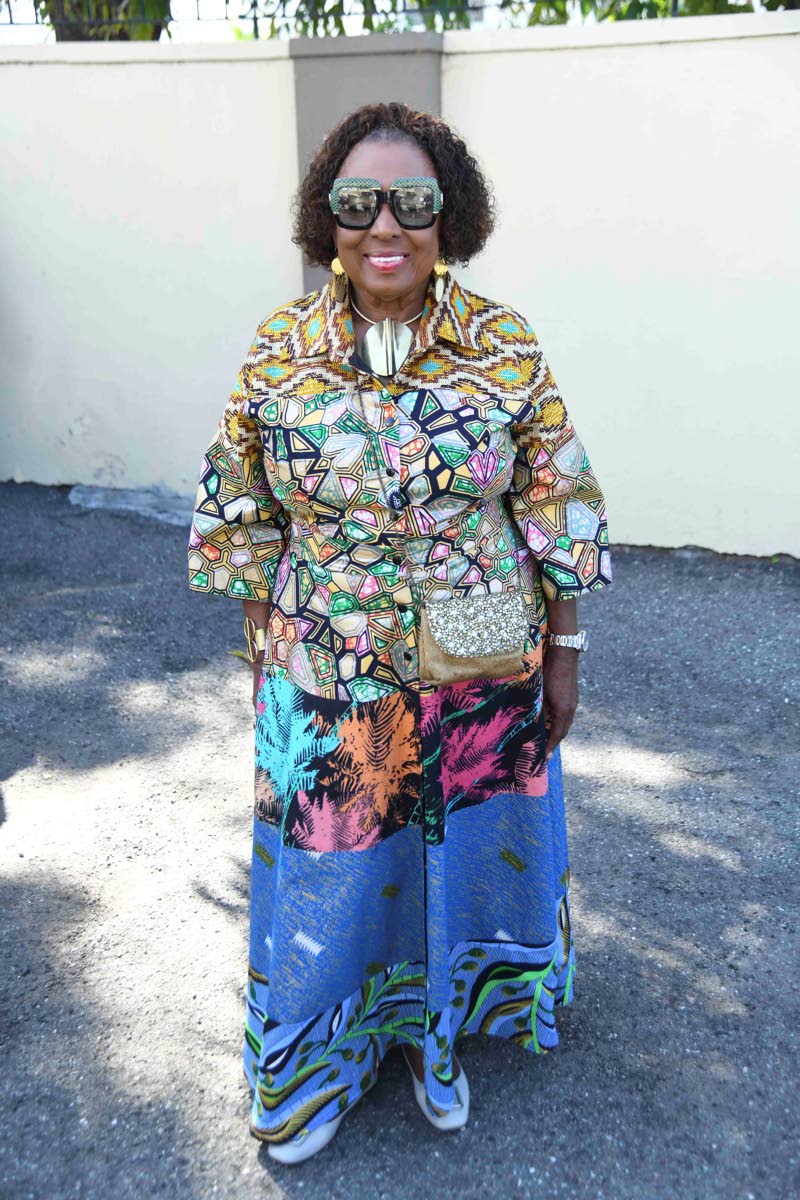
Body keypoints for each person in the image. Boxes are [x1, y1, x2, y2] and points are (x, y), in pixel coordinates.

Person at [188, 101, 611, 1165]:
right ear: (323, 219)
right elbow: (240, 503)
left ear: (448, 216)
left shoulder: (501, 342)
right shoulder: (280, 348)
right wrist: (263, 655)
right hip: (331, 668)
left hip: (479, 670)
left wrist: (562, 652)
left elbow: (555, 496)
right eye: (357, 202)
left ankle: (435, 1038)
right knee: (332, 865)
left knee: (456, 858)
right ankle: (318, 1061)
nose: (386, 224)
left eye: (413, 201)